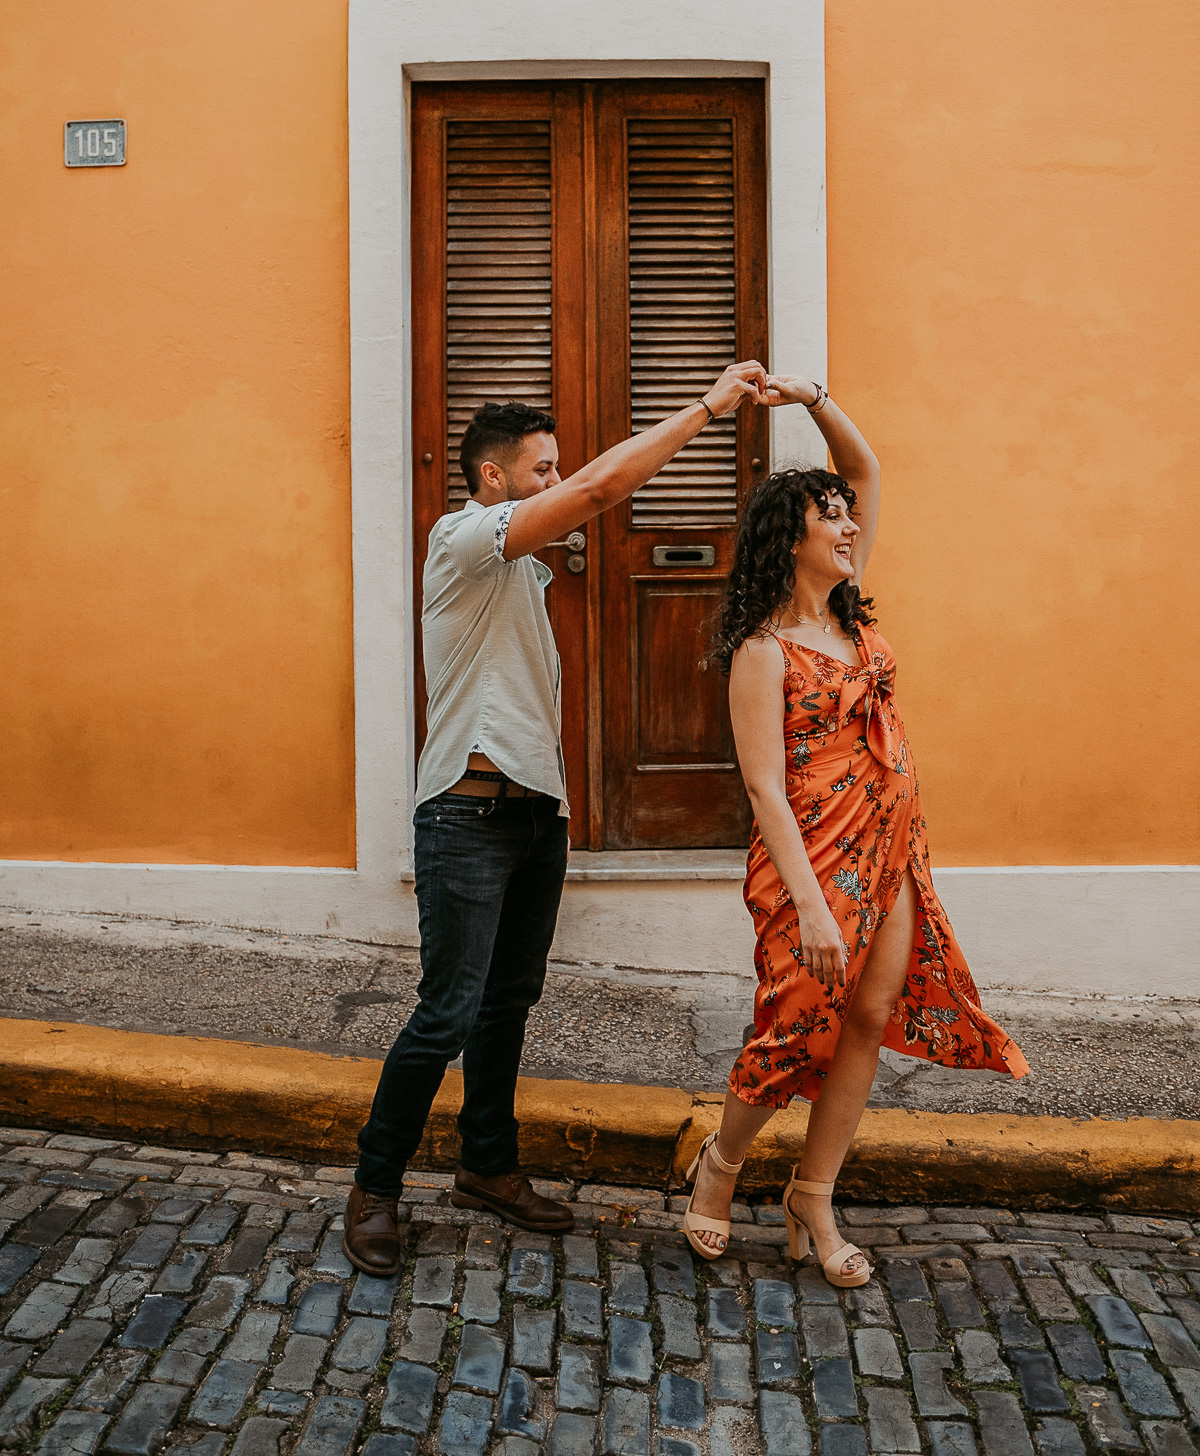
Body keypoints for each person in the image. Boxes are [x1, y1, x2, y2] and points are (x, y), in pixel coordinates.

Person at [344, 360, 770, 1276]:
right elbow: (602, 488)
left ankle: (487, 1167)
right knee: (445, 1011)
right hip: (465, 815)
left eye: (555, 470)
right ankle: (374, 1187)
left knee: (507, 1003)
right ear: (494, 478)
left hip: (535, 818)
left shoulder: (522, 578)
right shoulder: (460, 540)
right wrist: (707, 406)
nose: (555, 484)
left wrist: (562, 809)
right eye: (540, 470)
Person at [682, 375, 1028, 1282]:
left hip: (890, 852)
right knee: (793, 1023)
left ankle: (813, 1195)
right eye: (828, 517)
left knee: (868, 1018)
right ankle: (718, 1168)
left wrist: (811, 398)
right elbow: (763, 789)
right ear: (788, 540)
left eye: (847, 516)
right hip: (813, 863)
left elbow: (866, 466)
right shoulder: (762, 651)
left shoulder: (847, 610)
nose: (847, 526)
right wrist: (812, 907)